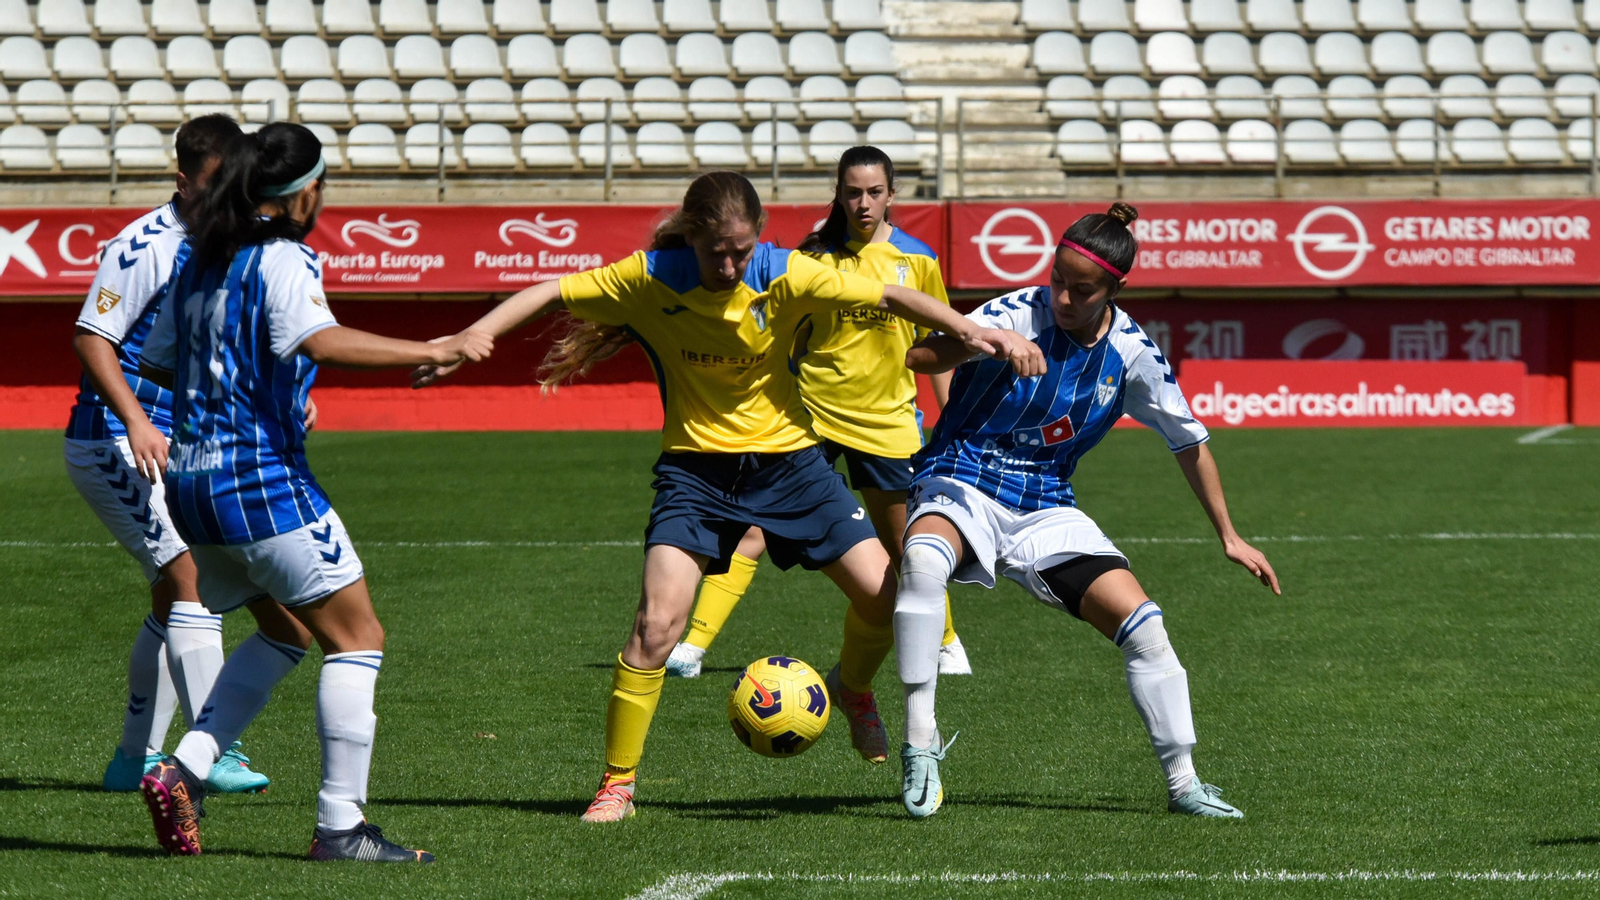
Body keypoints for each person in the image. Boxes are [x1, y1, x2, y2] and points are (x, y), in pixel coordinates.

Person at [413, 171, 1035, 823]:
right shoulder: (652, 276)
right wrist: (464, 340)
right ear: (692, 239)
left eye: (741, 249)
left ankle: (851, 692)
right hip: (695, 476)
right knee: (656, 627)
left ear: (757, 238)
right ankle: (617, 786)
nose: (731, 264)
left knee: (890, 595)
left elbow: (891, 294)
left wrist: (978, 333)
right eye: (718, 252)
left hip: (792, 467)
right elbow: (549, 291)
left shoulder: (786, 272)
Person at [136, 123, 491, 861]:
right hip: (258, 482)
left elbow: (162, 363)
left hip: (192, 487)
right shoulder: (284, 257)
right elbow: (317, 340)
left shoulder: (199, 261)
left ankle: (185, 768)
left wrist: (240, 385)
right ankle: (341, 828)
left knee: (285, 631)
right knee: (359, 638)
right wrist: (435, 347)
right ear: (306, 192)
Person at [891, 202, 1281, 820]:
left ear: (1114, 290)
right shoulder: (1016, 310)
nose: (1063, 297)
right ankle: (920, 743)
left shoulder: (1131, 353)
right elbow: (921, 358)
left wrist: (1230, 535)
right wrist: (983, 340)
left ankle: (1184, 786)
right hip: (961, 475)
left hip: (1046, 502)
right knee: (921, 561)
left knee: (1146, 626)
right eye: (1057, 280)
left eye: (1082, 289)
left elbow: (1190, 441)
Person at [664, 146, 973, 680]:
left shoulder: (918, 259)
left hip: (888, 422)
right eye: (852, 192)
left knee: (906, 544)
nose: (863, 203)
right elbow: (792, 337)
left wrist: (951, 421)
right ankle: (692, 645)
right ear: (838, 194)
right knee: (753, 529)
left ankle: (945, 639)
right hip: (813, 415)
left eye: (875, 192)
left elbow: (936, 345)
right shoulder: (814, 257)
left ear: (892, 195)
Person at [63, 113, 275, 795]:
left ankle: (132, 760)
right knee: (190, 577)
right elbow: (93, 338)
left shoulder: (227, 238)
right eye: (215, 187)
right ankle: (218, 747)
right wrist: (137, 423)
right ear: (182, 181)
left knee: (170, 594)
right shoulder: (145, 244)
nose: (228, 201)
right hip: (113, 441)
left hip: (173, 444)